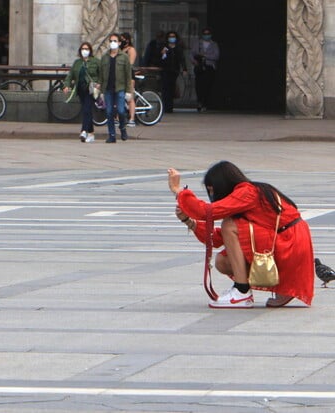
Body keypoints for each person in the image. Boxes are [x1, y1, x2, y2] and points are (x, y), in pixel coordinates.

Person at [167, 161, 314, 308]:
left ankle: (241, 291)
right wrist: (189, 221)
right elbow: (218, 239)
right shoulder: (249, 193)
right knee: (223, 261)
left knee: (229, 226)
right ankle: (275, 288)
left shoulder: (247, 191)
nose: (212, 195)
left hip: (288, 242)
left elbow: (207, 212)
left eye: (212, 190)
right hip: (289, 240)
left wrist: (178, 190)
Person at [98, 33, 134, 143]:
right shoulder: (105, 57)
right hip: (108, 88)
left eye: (115, 41)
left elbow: (128, 75)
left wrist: (129, 91)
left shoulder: (124, 57)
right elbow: (101, 75)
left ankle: (123, 128)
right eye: (111, 41)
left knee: (121, 111)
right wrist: (101, 90)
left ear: (119, 43)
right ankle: (112, 135)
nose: (112, 43)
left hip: (120, 87)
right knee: (109, 112)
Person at [63, 41, 100, 143]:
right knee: (86, 110)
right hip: (81, 89)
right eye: (83, 49)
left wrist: (99, 83)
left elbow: (102, 74)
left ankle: (84, 130)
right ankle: (91, 133)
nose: (85, 51)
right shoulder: (77, 63)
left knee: (87, 109)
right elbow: (70, 75)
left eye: (87, 49)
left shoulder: (95, 62)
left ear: (90, 51)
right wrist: (66, 85)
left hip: (91, 89)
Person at [190, 27, 220, 112]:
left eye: (208, 34)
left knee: (207, 85)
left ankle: (205, 103)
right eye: (205, 34)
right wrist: (194, 61)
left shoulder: (214, 44)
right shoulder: (197, 43)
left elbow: (216, 56)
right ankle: (199, 102)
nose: (206, 35)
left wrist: (205, 56)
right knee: (199, 85)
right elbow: (192, 54)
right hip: (199, 66)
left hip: (209, 66)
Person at [159, 31, 187, 113]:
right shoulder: (164, 47)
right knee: (165, 89)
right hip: (165, 70)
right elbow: (160, 59)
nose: (172, 38)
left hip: (174, 71)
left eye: (173, 36)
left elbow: (182, 59)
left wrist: (184, 69)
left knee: (171, 88)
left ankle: (170, 107)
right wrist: (163, 54)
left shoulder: (178, 48)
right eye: (170, 36)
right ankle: (165, 106)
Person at [120, 32, 137, 127]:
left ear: (127, 40)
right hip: (120, 76)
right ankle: (118, 118)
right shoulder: (120, 50)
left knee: (130, 97)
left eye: (122, 39)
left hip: (129, 75)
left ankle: (132, 118)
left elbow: (130, 63)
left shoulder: (131, 49)